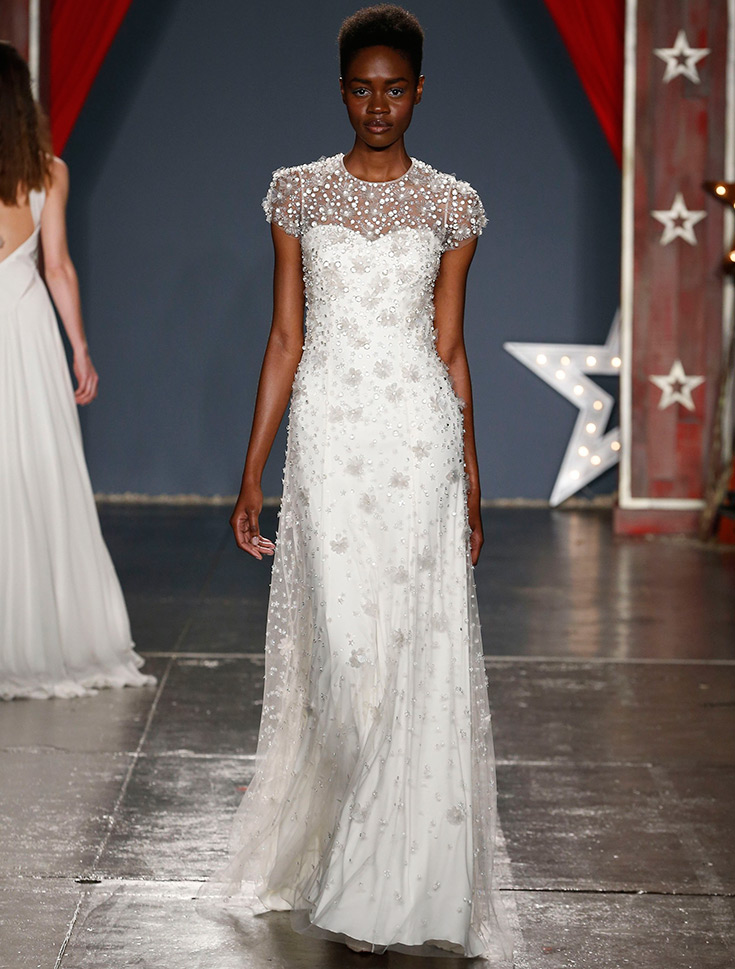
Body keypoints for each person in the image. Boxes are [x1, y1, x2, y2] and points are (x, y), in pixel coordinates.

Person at [210, 5, 514, 962]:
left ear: (419, 92)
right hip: (330, 440)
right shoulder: (296, 194)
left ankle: (390, 875)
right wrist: (251, 470)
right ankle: (354, 846)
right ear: (340, 92)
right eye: (360, 89)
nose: (377, 105)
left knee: (413, 649)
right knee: (344, 656)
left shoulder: (452, 205)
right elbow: (285, 337)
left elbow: (450, 350)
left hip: (418, 442)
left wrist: (471, 476)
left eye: (393, 89)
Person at [0, 42, 156, 700]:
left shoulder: (49, 172)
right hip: (28, 328)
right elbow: (57, 266)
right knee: (37, 472)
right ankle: (48, 634)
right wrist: (80, 347)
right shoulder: (48, 173)